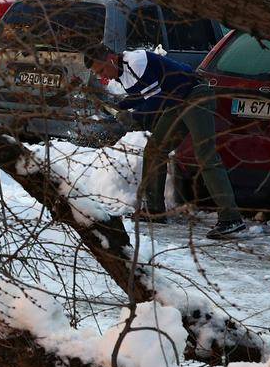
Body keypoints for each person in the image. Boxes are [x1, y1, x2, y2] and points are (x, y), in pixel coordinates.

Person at [85, 44, 247, 240]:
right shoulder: (122, 72)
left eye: (102, 70)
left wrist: (132, 116)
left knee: (205, 154)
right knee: (155, 149)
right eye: (98, 74)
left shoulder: (136, 61)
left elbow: (155, 100)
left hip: (195, 95)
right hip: (176, 102)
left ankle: (231, 218)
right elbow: (140, 96)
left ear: (110, 58)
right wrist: (118, 106)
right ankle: (154, 210)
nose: (104, 77)